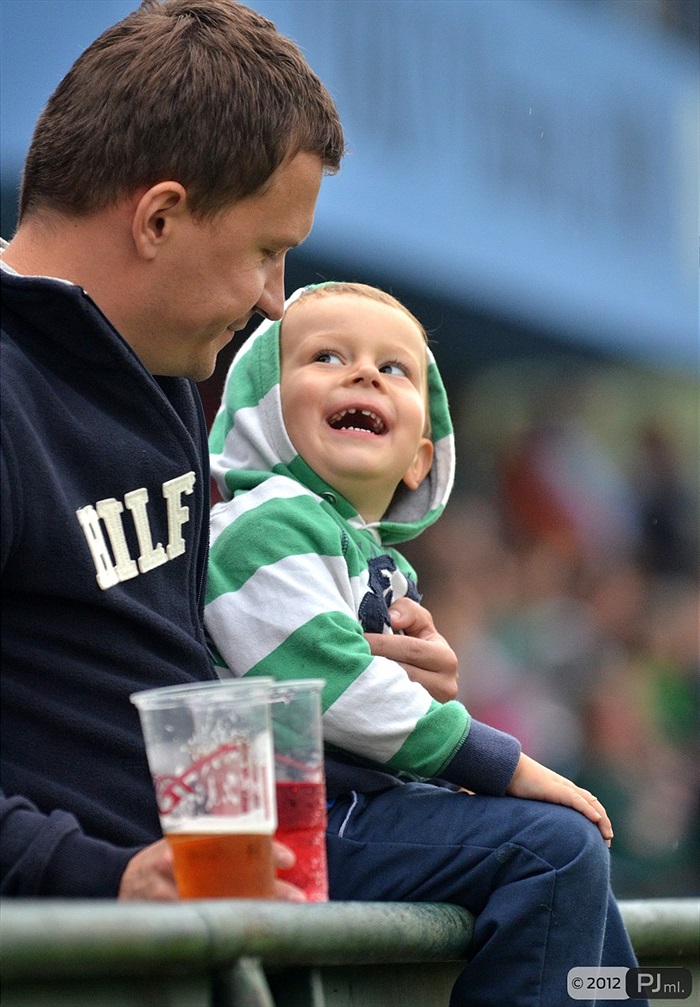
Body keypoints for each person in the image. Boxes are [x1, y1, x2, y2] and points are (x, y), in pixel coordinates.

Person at [0, 0, 456, 902]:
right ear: (160, 218)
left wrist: (360, 663)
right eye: (267, 252)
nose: (277, 301)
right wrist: (96, 874)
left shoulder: (162, 379)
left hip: (221, 924)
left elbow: (179, 673)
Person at [204, 281, 647, 1007]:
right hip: (299, 828)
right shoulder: (266, 524)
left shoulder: (369, 554)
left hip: (357, 812)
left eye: (395, 367)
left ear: (419, 456)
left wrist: (440, 702)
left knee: (570, 860)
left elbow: (388, 701)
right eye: (326, 356)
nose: (365, 373)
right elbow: (329, 684)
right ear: (263, 416)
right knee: (551, 845)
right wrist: (498, 763)